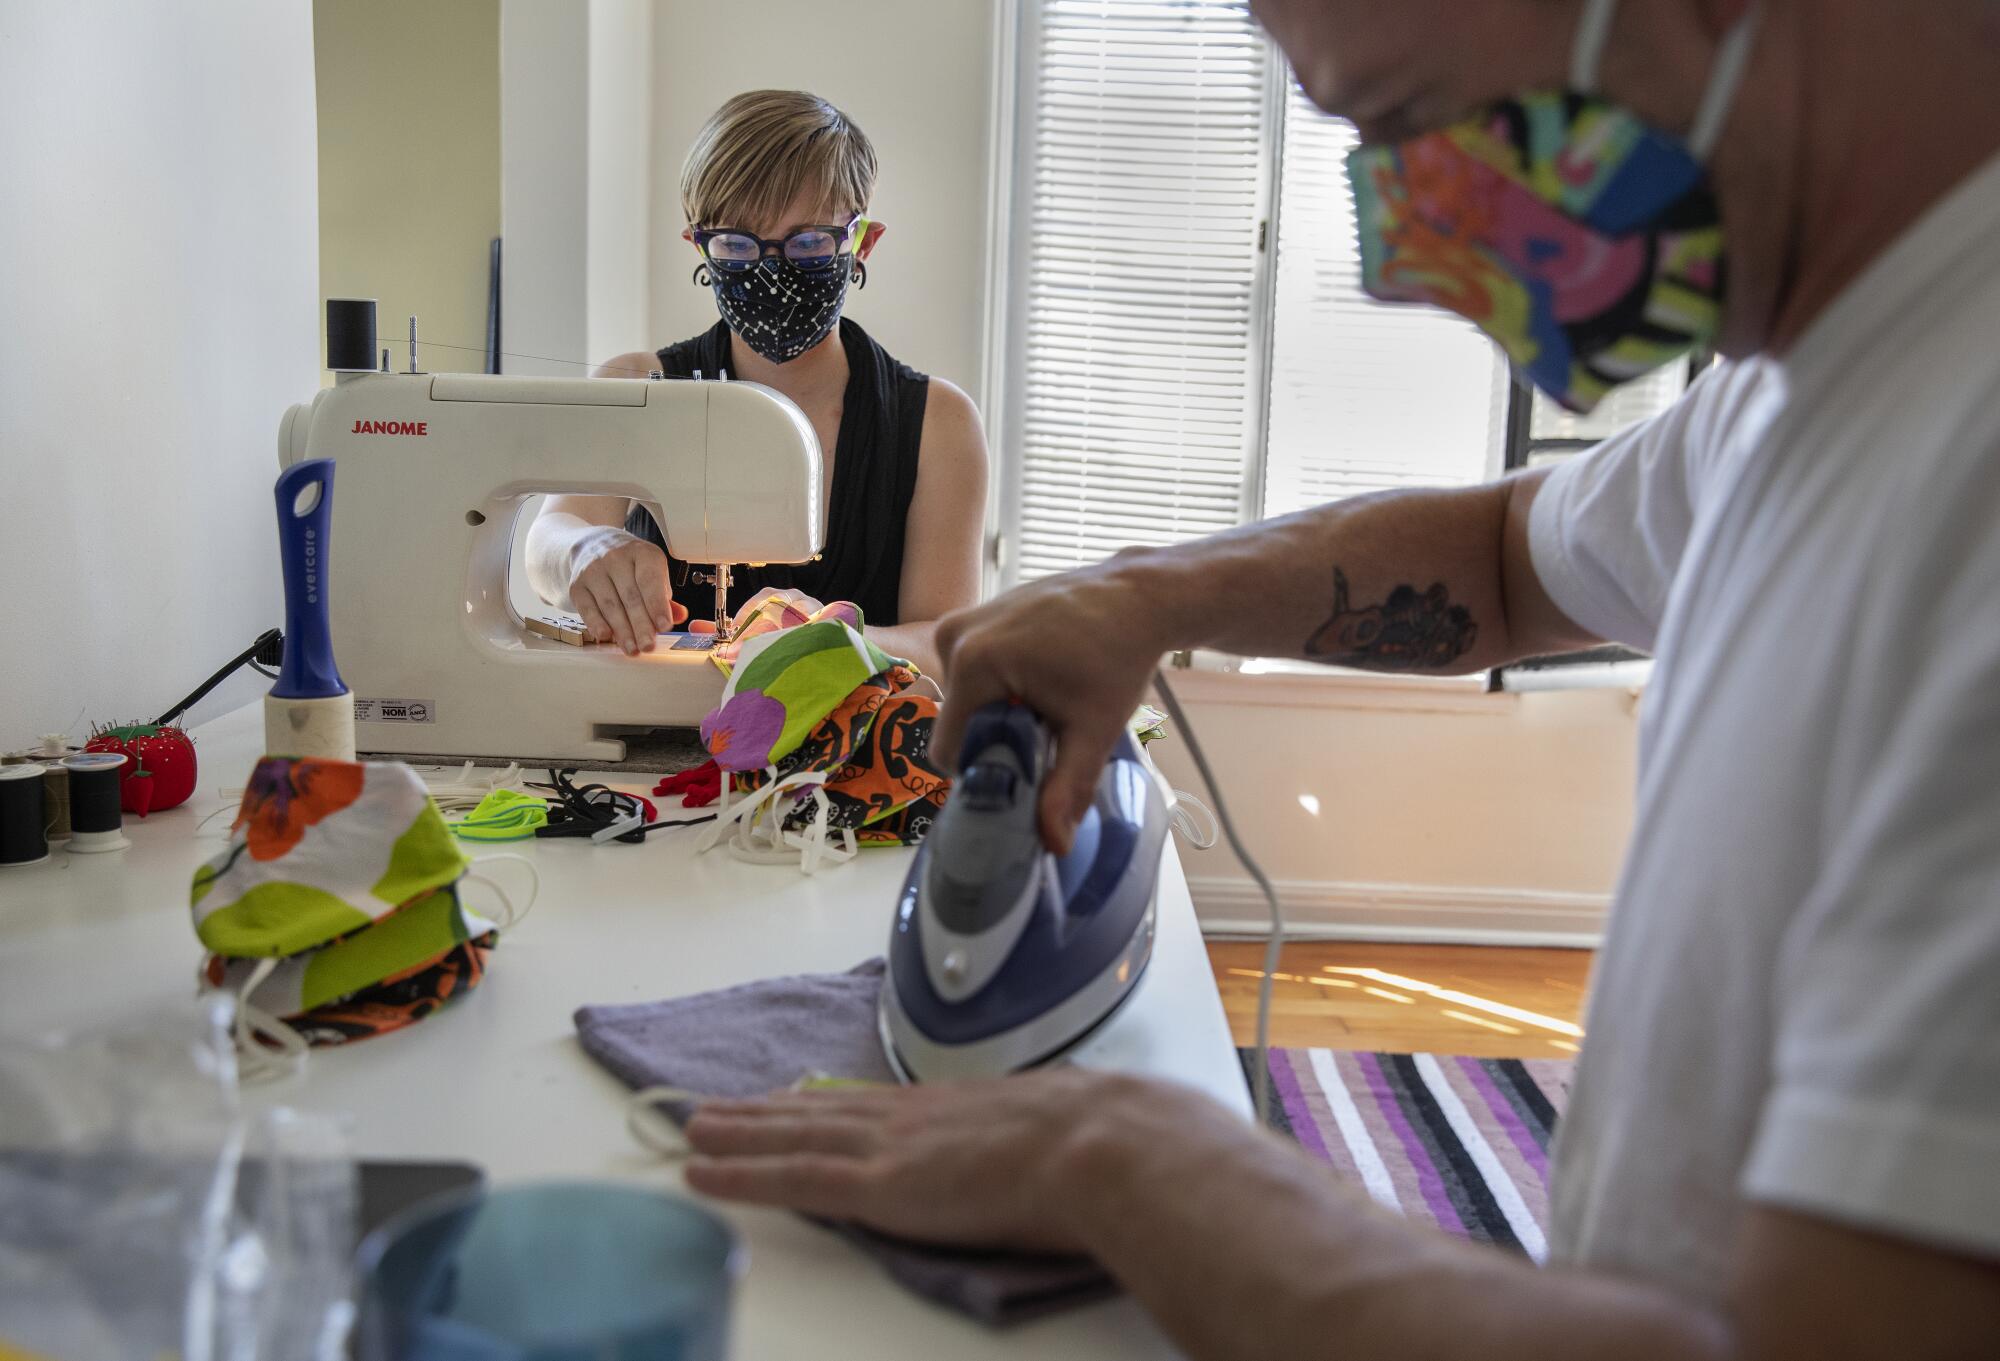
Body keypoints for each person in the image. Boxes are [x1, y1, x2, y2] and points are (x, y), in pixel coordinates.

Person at [676, 2, 2000, 1357]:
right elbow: (1498, 560)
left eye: (1412, 122)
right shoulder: (1792, 384)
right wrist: (1149, 594)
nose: (1403, 275)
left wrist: (1129, 1161)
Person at [525, 90, 987, 677]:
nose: (773, 268)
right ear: (700, 246)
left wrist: (832, 641)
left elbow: (946, 644)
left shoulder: (937, 424)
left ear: (862, 242)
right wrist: (580, 551)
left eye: (809, 241)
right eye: (739, 244)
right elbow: (547, 542)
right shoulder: (636, 385)